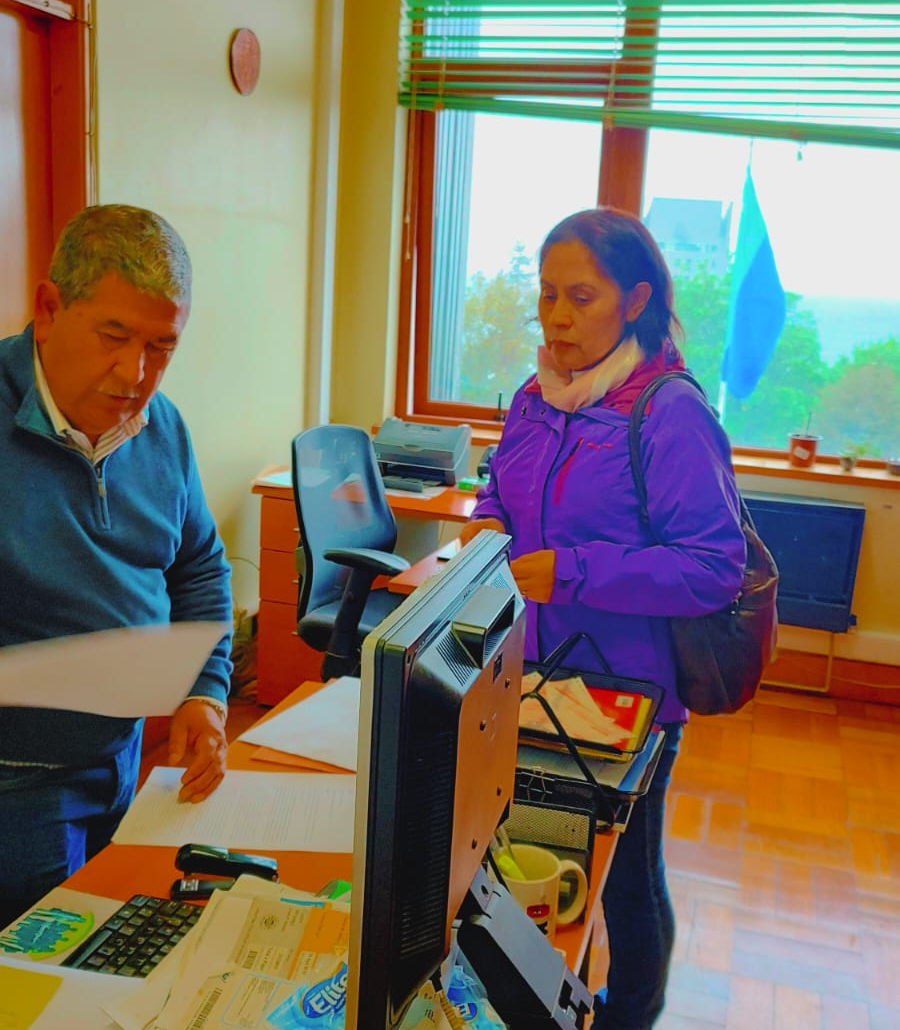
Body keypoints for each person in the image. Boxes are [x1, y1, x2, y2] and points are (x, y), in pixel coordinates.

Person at [460, 207, 746, 1029]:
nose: (556, 316)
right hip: (528, 678)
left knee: (627, 882)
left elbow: (712, 566)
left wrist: (572, 570)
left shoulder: (669, 411)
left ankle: (630, 1017)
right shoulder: (537, 395)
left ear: (636, 300)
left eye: (580, 297)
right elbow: (499, 489)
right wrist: (488, 521)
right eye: (547, 294)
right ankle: (537, 1000)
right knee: (526, 856)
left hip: (628, 700)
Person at [0, 204, 233, 927]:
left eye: (161, 347)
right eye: (114, 336)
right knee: (34, 963)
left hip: (124, 757)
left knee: (102, 943)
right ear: (49, 310)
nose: (135, 374)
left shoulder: (164, 429)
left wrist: (205, 692)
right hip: (16, 782)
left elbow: (199, 567)